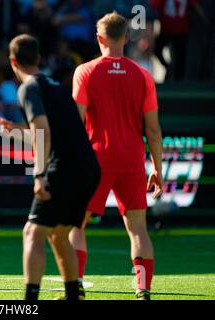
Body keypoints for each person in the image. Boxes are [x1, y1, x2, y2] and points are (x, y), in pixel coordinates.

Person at [64, 12, 164, 300]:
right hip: (133, 159)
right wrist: (157, 168)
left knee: (76, 224)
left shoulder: (85, 71)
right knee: (138, 230)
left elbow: (77, 123)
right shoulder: (143, 75)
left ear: (99, 39)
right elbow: (153, 130)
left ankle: (77, 285)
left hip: (96, 159)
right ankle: (143, 289)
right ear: (127, 38)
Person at [0, 34, 100, 300]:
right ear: (39, 58)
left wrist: (40, 175)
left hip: (63, 168)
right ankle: (72, 295)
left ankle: (30, 300)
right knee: (59, 234)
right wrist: (18, 131)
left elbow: (42, 131)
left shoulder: (27, 88)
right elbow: (51, 131)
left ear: (12, 61)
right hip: (88, 168)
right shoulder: (57, 86)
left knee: (33, 232)